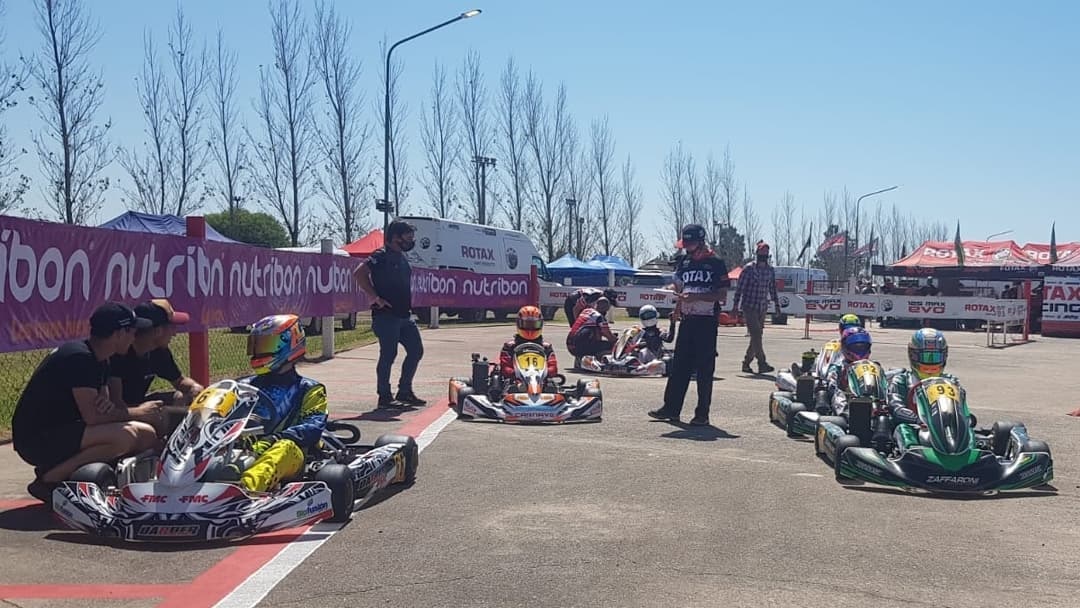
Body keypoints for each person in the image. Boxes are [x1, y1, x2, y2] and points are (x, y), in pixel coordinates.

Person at [12, 303, 162, 502]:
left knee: (146, 434)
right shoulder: (80, 357)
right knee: (125, 436)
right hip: (36, 439)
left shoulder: (102, 358)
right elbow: (94, 417)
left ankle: (108, 479)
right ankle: (49, 479)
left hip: (65, 429)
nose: (134, 337)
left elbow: (105, 408)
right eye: (131, 331)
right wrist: (140, 412)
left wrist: (106, 410)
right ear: (118, 333)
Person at [232, 314, 329, 493]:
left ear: (289, 344)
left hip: (292, 453)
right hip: (245, 449)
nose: (259, 352)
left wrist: (274, 438)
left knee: (284, 448)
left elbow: (313, 427)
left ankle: (244, 490)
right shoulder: (244, 386)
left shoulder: (309, 389)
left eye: (266, 346)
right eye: (256, 346)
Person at [647, 224, 730, 426]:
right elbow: (679, 287)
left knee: (704, 369)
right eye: (685, 244)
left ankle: (702, 414)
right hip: (687, 320)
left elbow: (722, 295)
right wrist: (675, 304)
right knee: (679, 366)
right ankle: (671, 408)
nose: (686, 248)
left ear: (700, 242)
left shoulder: (716, 263)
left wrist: (697, 297)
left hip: (706, 321)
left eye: (689, 244)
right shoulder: (684, 262)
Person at [354, 219, 426, 409]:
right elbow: (359, 273)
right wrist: (375, 297)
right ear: (395, 237)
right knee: (388, 354)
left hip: (404, 315)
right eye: (408, 237)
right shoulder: (380, 256)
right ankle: (384, 396)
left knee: (416, 351)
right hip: (386, 316)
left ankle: (405, 391)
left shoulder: (402, 257)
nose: (411, 241)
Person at [108, 299, 204, 435]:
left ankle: (176, 434)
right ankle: (173, 438)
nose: (175, 333)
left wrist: (195, 388)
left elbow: (179, 381)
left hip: (139, 403)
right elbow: (116, 403)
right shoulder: (120, 353)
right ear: (158, 331)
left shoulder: (159, 351)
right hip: (118, 413)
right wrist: (142, 412)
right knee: (163, 415)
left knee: (181, 396)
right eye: (172, 327)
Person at [887, 328, 961, 427]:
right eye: (926, 357)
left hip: (943, 428)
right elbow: (896, 407)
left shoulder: (951, 381)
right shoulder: (902, 380)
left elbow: (961, 409)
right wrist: (918, 420)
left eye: (935, 357)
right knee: (902, 428)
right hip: (914, 426)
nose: (930, 363)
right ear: (912, 356)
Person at [732, 241, 781, 375]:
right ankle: (762, 362)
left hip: (762, 306)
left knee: (757, 336)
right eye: (761, 253)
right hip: (749, 306)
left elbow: (772, 288)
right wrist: (735, 305)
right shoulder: (749, 269)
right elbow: (740, 288)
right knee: (756, 334)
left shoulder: (770, 270)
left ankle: (746, 362)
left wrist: (777, 305)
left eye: (766, 253)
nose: (764, 255)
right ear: (757, 253)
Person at [822, 326, 878, 416]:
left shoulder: (874, 366)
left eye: (863, 347)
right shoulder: (838, 367)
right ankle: (845, 414)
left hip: (870, 398)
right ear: (845, 348)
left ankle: (879, 411)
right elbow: (832, 387)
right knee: (836, 393)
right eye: (856, 347)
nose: (860, 350)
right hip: (846, 400)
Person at [499, 306, 559, 381]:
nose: (530, 328)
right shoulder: (510, 346)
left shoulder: (546, 347)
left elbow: (553, 368)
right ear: (519, 324)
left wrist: (541, 373)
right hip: (515, 380)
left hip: (541, 380)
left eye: (534, 324)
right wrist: (520, 374)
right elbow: (505, 368)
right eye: (527, 324)